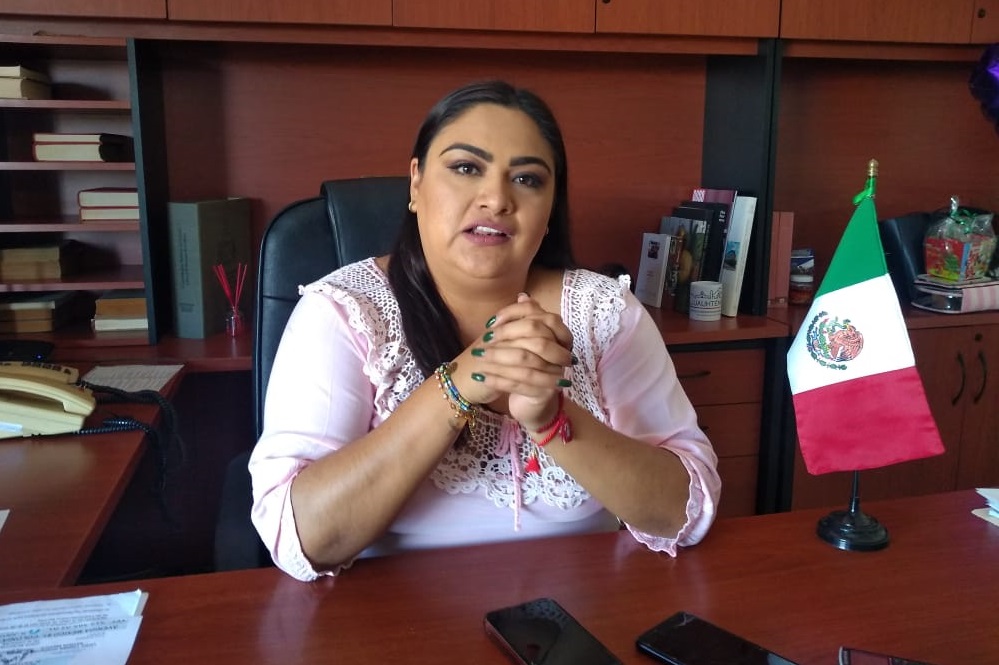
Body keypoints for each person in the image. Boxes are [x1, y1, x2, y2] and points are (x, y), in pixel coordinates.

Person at [249, 80, 721, 582]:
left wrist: (552, 422)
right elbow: (301, 539)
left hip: (583, 609)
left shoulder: (603, 311)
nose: (496, 199)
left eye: (527, 179)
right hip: (394, 616)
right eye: (466, 168)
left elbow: (685, 513)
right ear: (416, 183)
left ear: (549, 210)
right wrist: (457, 386)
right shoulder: (344, 312)